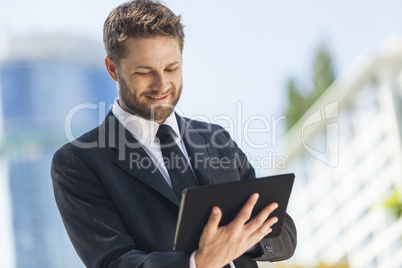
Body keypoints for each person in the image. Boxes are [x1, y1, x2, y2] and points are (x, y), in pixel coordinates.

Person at [51, 1, 297, 267]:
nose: (162, 85)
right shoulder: (79, 162)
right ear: (113, 69)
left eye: (171, 68)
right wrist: (198, 262)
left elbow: (284, 234)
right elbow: (113, 261)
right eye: (144, 72)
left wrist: (237, 241)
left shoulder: (218, 140)